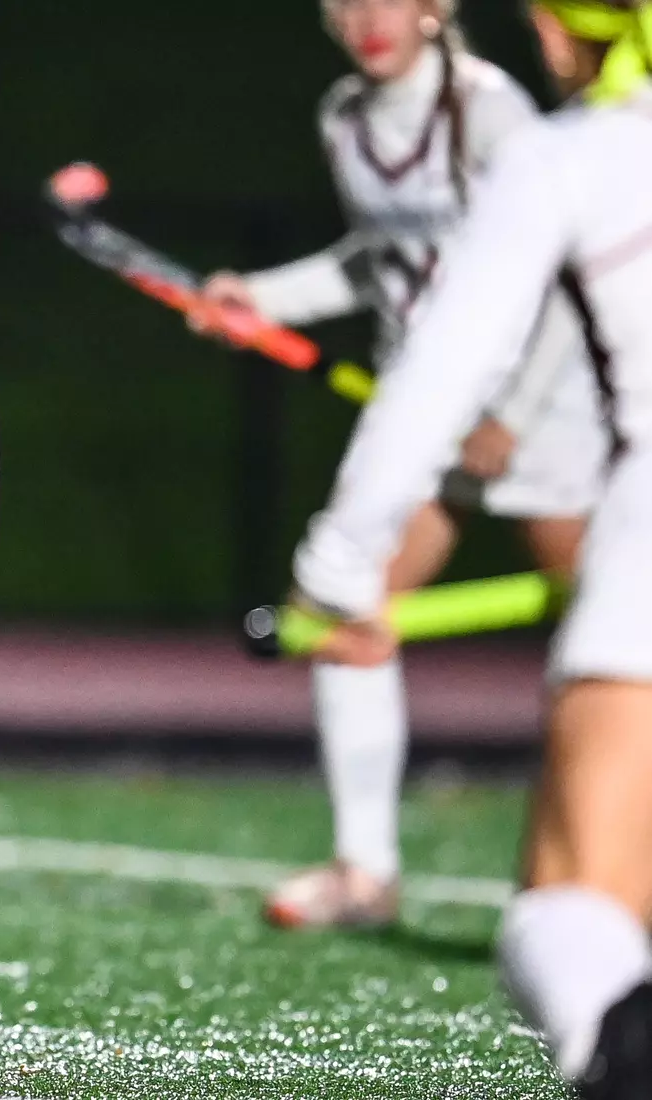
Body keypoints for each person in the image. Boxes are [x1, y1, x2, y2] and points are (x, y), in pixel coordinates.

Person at [288, 0, 652, 1091]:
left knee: (569, 909)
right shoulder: (354, 118)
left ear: (553, 29)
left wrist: (338, 559)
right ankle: (365, 861)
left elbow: (437, 371)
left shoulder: (559, 151)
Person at [195, 0, 608, 929]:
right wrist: (255, 299)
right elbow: (375, 262)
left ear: (436, 8)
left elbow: (557, 269)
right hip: (423, 420)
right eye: (344, 1)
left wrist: (509, 408)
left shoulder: (488, 108)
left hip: (542, 413)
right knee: (346, 611)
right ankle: (364, 874)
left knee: (605, 640)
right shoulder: (343, 117)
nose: (365, 17)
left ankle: (608, 870)